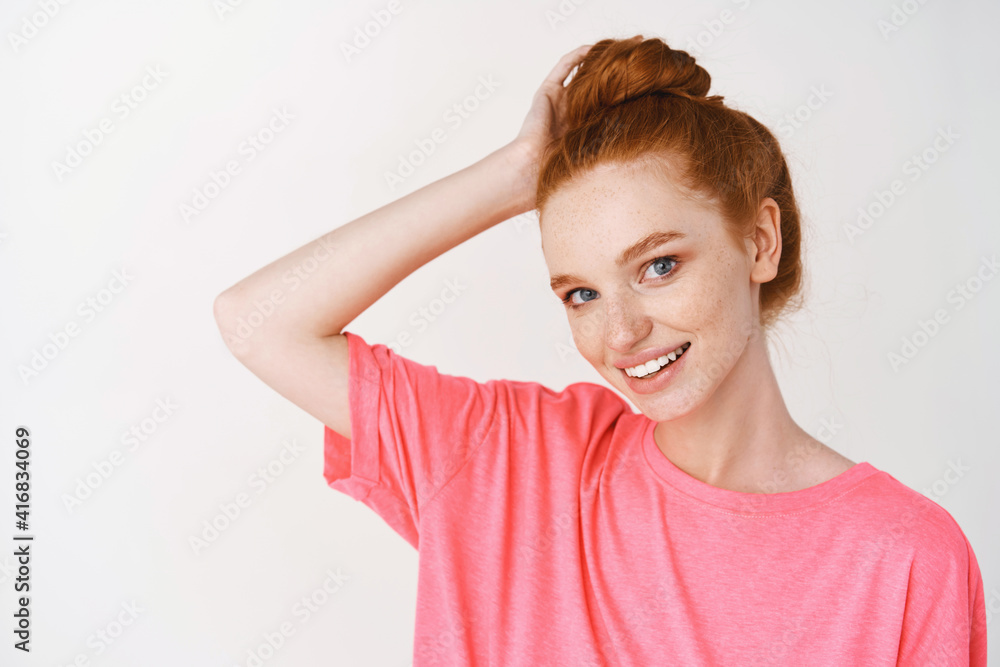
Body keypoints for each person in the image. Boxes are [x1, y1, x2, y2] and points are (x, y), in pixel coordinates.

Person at [213, 35, 987, 666]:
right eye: (580, 292)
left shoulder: (905, 557)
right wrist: (516, 175)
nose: (619, 334)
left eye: (659, 266)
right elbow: (258, 320)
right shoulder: (505, 461)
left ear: (760, 240)